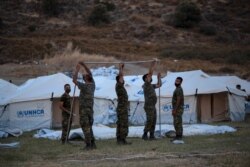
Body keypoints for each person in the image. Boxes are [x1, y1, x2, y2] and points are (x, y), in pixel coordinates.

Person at [73, 61, 96, 150]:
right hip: (90, 110)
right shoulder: (93, 85)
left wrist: (77, 69)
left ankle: (88, 145)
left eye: (85, 75)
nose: (85, 74)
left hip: (84, 110)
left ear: (86, 79)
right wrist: (84, 65)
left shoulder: (84, 86)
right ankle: (93, 144)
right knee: (89, 127)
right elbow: (90, 73)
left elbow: (74, 80)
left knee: (85, 127)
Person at [142, 60, 162, 140]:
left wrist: (159, 78)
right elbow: (150, 73)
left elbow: (159, 85)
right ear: (145, 79)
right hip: (148, 106)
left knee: (154, 120)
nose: (149, 77)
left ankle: (152, 135)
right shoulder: (146, 85)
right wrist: (153, 65)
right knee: (149, 120)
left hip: (153, 106)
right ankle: (145, 134)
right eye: (148, 77)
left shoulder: (151, 86)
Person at [115, 63, 131, 145]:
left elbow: (121, 76)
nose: (123, 79)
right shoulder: (119, 85)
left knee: (121, 123)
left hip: (122, 108)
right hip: (122, 108)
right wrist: (120, 68)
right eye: (122, 78)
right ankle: (121, 140)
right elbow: (121, 75)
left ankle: (121, 139)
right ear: (119, 80)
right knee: (123, 124)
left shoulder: (120, 86)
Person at [172, 77, 184, 142]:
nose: (176, 82)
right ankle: (178, 136)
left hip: (178, 109)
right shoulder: (177, 89)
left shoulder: (179, 89)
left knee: (177, 123)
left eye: (178, 81)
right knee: (177, 123)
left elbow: (178, 100)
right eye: (176, 80)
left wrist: (175, 110)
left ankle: (179, 136)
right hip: (177, 109)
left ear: (180, 82)